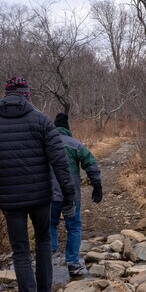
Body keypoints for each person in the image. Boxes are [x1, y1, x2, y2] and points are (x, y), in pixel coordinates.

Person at [0, 76, 76, 292]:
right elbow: (60, 163)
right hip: (41, 197)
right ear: (27, 95)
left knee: (20, 251)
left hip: (11, 200)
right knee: (42, 241)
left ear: (5, 95)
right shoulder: (41, 121)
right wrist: (69, 196)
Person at [50, 112, 102, 277]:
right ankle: (73, 263)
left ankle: (48, 259)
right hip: (71, 195)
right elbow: (91, 164)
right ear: (67, 128)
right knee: (73, 227)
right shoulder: (75, 145)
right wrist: (97, 186)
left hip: (48, 195)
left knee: (48, 225)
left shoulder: (45, 144)